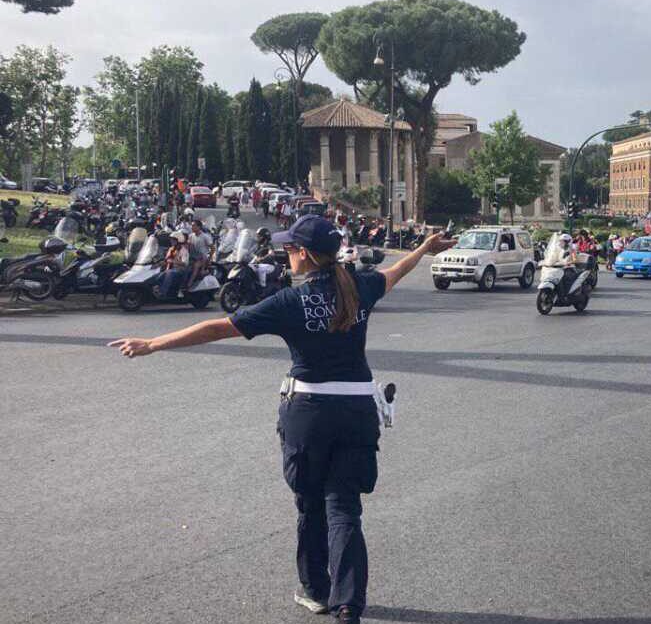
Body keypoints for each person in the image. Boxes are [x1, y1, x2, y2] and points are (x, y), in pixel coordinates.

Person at [108, 215, 456, 623]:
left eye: (290, 248)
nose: (284, 253)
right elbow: (394, 272)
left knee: (311, 505)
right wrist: (423, 248)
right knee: (344, 510)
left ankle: (316, 591)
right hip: (357, 412)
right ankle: (348, 607)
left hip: (309, 416)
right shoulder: (360, 286)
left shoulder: (291, 302)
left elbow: (220, 327)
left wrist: (153, 343)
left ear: (305, 255)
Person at [160, 230, 190, 298]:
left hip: (180, 270)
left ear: (178, 241)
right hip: (171, 268)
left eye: (173, 240)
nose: (171, 241)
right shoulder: (171, 249)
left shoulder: (183, 250)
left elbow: (185, 263)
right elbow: (166, 259)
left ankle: (163, 292)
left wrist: (173, 261)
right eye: (171, 240)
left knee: (170, 273)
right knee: (159, 274)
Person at [186, 219, 212, 288]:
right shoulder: (191, 236)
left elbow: (213, 248)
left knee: (196, 266)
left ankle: (189, 284)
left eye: (194, 226)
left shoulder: (205, 236)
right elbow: (188, 246)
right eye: (192, 226)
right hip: (192, 257)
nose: (192, 227)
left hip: (202, 259)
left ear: (199, 227)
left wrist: (209, 259)